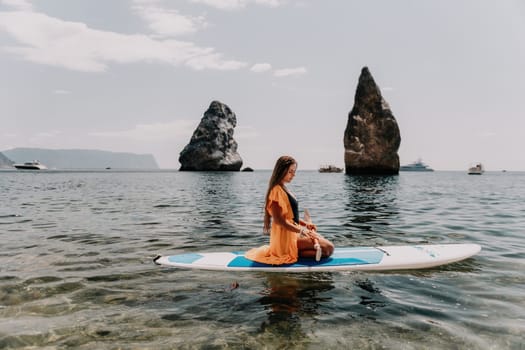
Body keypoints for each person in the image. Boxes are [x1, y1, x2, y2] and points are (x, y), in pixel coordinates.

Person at [245, 155, 334, 265]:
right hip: (285, 237)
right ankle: (290, 252)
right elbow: (279, 221)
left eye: (294, 171)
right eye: (290, 172)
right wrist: (302, 230)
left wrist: (305, 224)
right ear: (282, 171)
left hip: (293, 233)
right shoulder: (276, 190)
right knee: (328, 248)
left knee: (323, 242)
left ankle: (294, 251)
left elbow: (290, 217)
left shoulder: (284, 188)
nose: (293, 175)